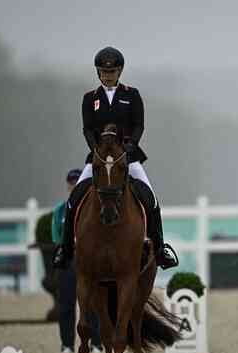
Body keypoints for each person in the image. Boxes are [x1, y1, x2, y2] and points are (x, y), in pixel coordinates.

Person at [52, 46, 178, 270]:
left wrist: (130, 147)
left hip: (128, 157)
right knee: (74, 199)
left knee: (152, 199)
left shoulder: (132, 95)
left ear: (119, 72)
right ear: (98, 73)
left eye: (111, 72)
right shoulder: (90, 98)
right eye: (103, 72)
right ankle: (65, 248)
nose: (107, 76)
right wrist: (97, 151)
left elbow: (139, 125)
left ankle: (160, 249)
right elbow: (88, 129)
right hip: (99, 159)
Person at [52, 169, 102, 353]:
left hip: (89, 260)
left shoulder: (93, 208)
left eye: (76, 182)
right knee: (65, 305)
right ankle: (66, 346)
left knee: (91, 305)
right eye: (71, 182)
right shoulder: (60, 210)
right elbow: (57, 235)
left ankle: (95, 344)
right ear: (68, 185)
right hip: (69, 258)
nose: (74, 185)